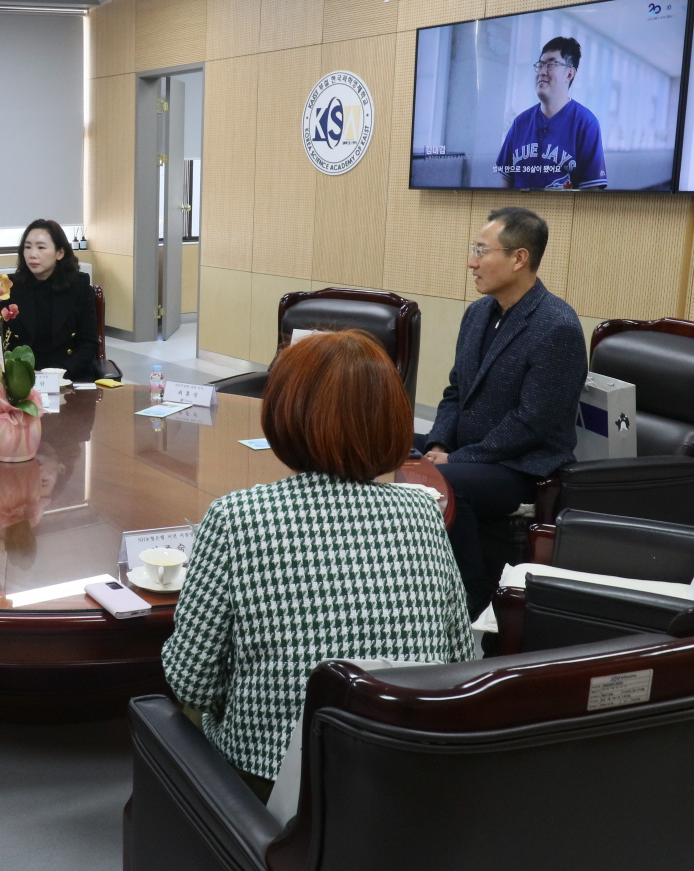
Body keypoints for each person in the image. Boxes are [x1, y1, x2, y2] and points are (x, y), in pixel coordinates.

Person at [162, 330, 473, 799]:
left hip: (267, 790)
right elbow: (459, 661)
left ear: (284, 414)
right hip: (408, 782)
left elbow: (190, 682)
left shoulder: (236, 517)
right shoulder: (424, 513)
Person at [421, 207, 586, 615]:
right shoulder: (478, 313)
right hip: (469, 451)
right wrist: (439, 440)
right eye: (473, 249)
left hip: (522, 466)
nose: (471, 261)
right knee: (384, 450)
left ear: (518, 258)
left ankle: (473, 598)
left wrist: (455, 458)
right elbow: (456, 390)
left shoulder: (556, 326)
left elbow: (532, 423)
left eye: (481, 250)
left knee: (443, 479)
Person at [495, 37, 607, 190]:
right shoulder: (520, 122)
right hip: (520, 212)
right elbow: (506, 180)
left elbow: (591, 190)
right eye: (540, 65)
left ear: (569, 73)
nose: (542, 72)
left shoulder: (586, 123)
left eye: (551, 65)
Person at [4, 219, 100, 382]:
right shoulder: (9, 288)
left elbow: (88, 343)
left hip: (69, 375)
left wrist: (60, 373)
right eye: (27, 247)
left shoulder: (79, 286)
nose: (32, 254)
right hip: (22, 378)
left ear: (60, 253)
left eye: (41, 247)